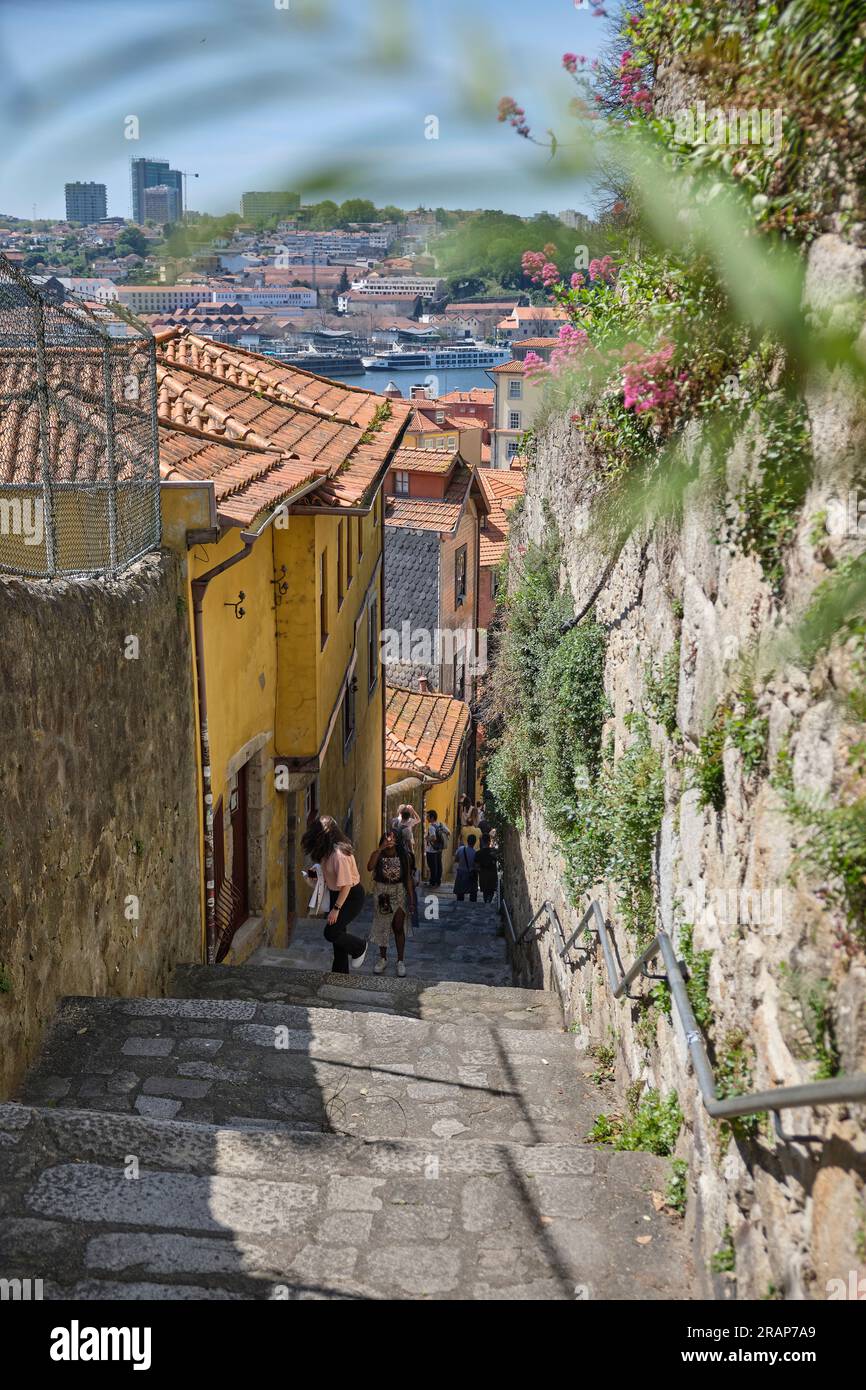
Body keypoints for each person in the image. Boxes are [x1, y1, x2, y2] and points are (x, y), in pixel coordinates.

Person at [301, 815, 367, 974]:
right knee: (338, 940)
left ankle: (359, 947)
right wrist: (311, 875)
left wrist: (336, 909)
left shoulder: (339, 855)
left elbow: (346, 885)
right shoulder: (326, 851)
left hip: (350, 897)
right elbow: (326, 872)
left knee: (331, 933)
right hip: (335, 894)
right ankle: (340, 974)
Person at [367, 828, 414, 977]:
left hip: (399, 891)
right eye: (387, 837)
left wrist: (412, 899)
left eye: (393, 837)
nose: (390, 840)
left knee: (398, 926)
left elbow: (408, 878)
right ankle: (383, 959)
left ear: (397, 840)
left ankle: (400, 961)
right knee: (383, 926)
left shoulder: (404, 856)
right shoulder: (379, 854)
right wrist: (380, 849)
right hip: (383, 893)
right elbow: (369, 867)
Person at [424, 808, 450, 887]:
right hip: (439, 849)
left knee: (432, 866)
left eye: (428, 816)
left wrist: (427, 838)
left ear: (432, 817)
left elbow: (434, 838)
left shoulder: (431, 827)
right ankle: (438, 881)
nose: (426, 818)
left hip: (431, 850)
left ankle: (432, 882)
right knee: (439, 865)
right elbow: (449, 832)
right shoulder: (441, 824)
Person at [454, 833, 478, 902]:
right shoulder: (475, 853)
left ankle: (459, 907)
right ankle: (472, 907)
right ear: (475, 842)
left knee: (460, 894)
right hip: (470, 874)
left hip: (461, 874)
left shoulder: (460, 849)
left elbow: (456, 860)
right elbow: (475, 865)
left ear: (467, 841)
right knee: (473, 893)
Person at [476, 832, 499, 904]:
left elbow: (476, 866)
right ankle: (489, 901)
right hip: (492, 874)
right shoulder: (494, 852)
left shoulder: (478, 853)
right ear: (489, 841)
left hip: (483, 874)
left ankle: (486, 902)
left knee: (485, 891)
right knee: (491, 890)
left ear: (482, 841)